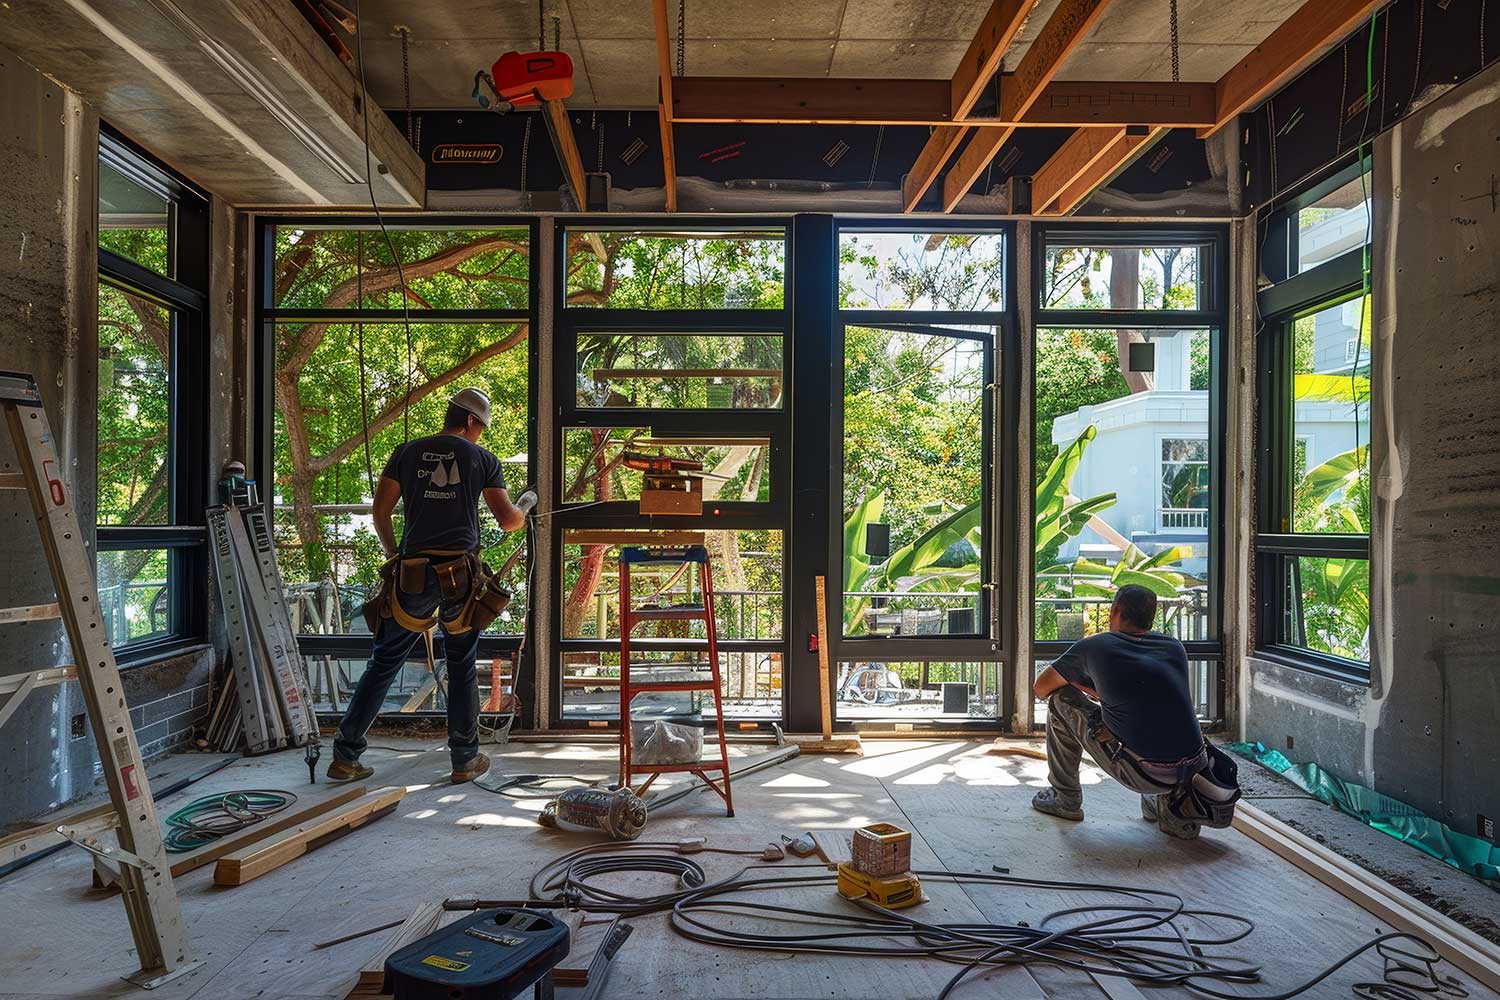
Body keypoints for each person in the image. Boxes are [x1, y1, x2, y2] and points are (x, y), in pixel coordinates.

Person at [328, 388, 534, 785]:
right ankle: (465, 759)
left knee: (384, 661)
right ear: (471, 421)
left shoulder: (407, 452)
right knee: (460, 663)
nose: (480, 434)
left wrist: (395, 553)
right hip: (460, 577)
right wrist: (524, 505)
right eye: (481, 427)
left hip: (413, 574)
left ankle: (345, 756)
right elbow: (509, 521)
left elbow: (381, 511)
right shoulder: (482, 459)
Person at [1030, 584, 1210, 840]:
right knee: (1154, 721)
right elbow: (1145, 696)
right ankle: (1168, 808)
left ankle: (1064, 798)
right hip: (1191, 771)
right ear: (1151, 617)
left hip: (1141, 772)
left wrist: (1076, 683)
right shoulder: (1173, 647)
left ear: (1115, 610)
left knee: (1061, 699)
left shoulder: (1096, 646)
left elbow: (1041, 688)